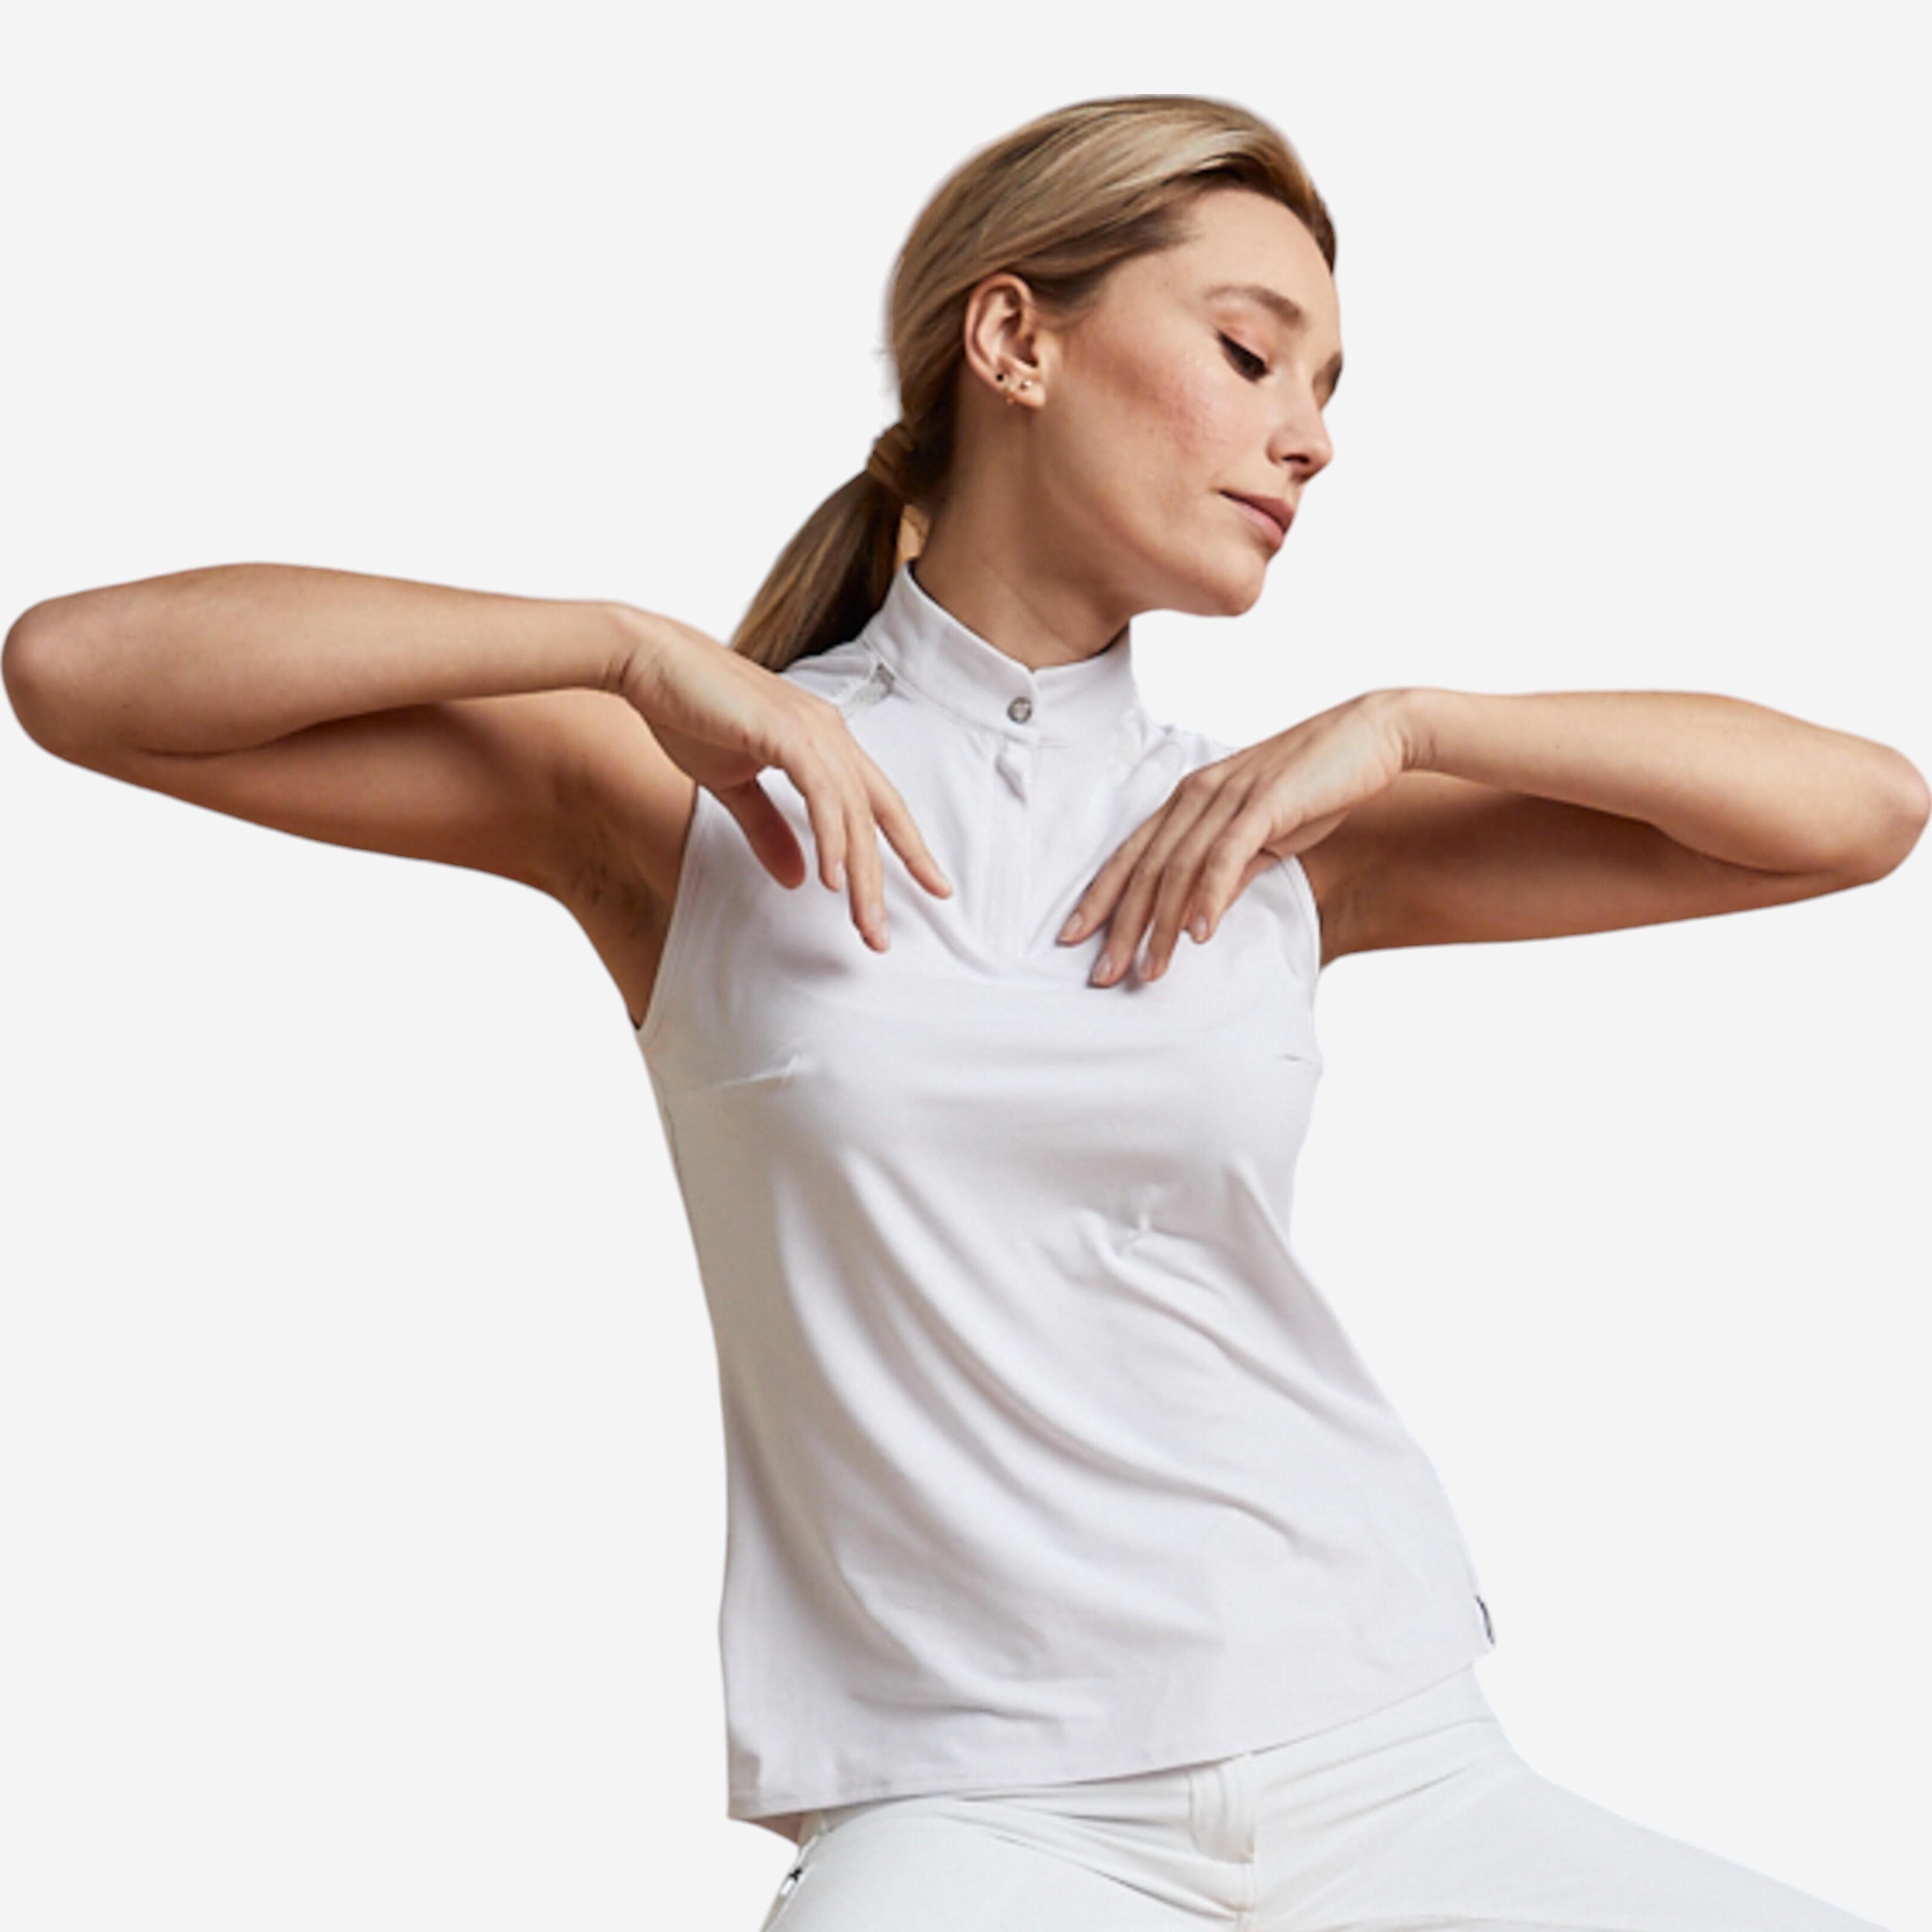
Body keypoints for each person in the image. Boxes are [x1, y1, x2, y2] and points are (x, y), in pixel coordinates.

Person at [4, 92, 1919, 1932]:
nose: (1311, 435)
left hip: (1382, 1749)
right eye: (1254, 355)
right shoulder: (692, 807)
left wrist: (1417, 723)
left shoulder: (1266, 831)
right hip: (970, 1804)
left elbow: (1861, 812)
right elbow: (85, 673)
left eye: (1331, 389)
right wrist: (625, 650)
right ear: (1016, 337)